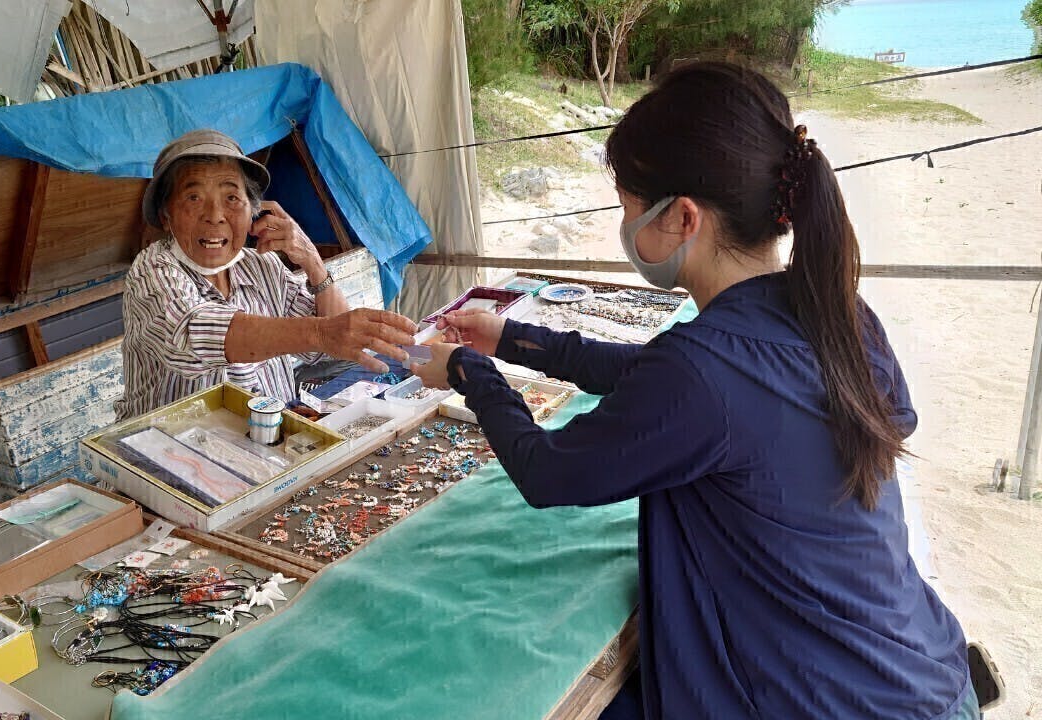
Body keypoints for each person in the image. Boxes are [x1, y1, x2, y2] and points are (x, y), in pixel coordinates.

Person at [410, 63, 978, 720]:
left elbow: (549, 471)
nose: (627, 234)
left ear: (683, 217)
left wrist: (463, 372)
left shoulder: (704, 371)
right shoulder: (835, 310)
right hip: (926, 671)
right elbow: (664, 381)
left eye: (627, 212)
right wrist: (510, 340)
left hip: (837, 702)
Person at [115, 129, 416, 421]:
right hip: (170, 449)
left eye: (232, 198)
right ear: (166, 216)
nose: (215, 215)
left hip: (267, 438)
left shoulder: (261, 264)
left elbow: (331, 349)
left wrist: (313, 263)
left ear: (253, 212)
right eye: (193, 198)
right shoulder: (152, 269)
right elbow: (192, 337)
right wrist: (320, 332)